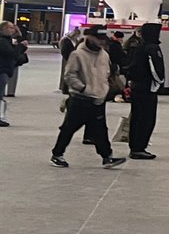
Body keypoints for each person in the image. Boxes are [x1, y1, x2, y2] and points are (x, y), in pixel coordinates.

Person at [49, 27, 126, 168]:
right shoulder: (77, 55)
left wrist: (105, 90)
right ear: (89, 37)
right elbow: (69, 75)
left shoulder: (104, 55)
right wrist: (83, 88)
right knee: (69, 128)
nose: (102, 42)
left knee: (101, 130)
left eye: (103, 40)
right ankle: (57, 154)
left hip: (98, 98)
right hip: (80, 99)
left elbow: (106, 74)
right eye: (98, 39)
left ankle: (107, 157)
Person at [121, 22, 165, 160]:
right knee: (146, 119)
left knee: (137, 117)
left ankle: (136, 146)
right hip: (147, 88)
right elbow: (156, 70)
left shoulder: (139, 47)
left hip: (138, 87)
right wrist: (159, 83)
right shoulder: (152, 48)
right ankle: (139, 147)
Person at [0, 21, 28, 127]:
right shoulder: (2, 41)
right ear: (4, 29)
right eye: (11, 28)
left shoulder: (7, 40)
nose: (13, 30)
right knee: (0, 94)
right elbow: (11, 54)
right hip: (2, 70)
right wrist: (21, 47)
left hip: (5, 70)